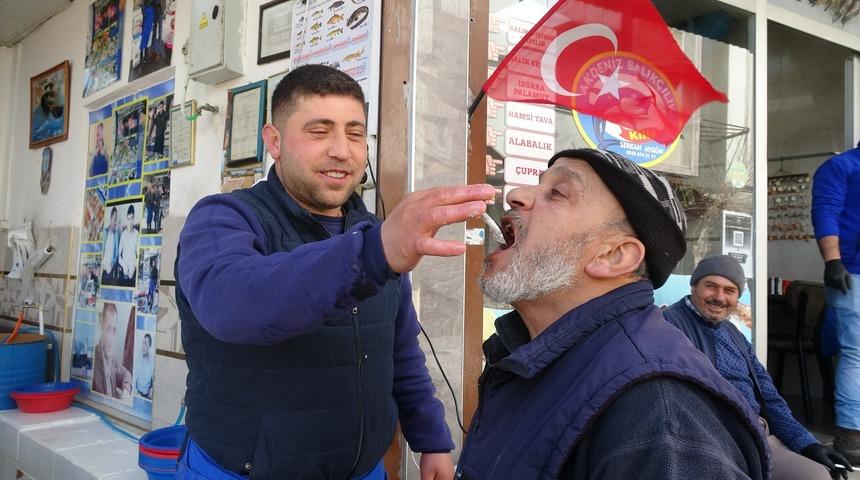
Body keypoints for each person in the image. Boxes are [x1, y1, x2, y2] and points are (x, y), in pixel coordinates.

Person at [175, 64, 494, 479]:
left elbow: (398, 348)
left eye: (355, 133)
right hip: (239, 470)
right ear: (274, 141)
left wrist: (431, 438)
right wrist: (375, 252)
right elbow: (231, 303)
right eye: (319, 131)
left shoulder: (374, 234)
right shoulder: (223, 218)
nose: (342, 150)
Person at [457, 148, 770, 479]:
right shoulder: (531, 357)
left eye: (558, 192)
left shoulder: (660, 414)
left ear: (614, 256)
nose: (517, 195)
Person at [662, 254, 852, 480]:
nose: (719, 297)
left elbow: (770, 398)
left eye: (729, 290)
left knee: (817, 475)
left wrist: (807, 443)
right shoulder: (669, 325)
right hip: (710, 442)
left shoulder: (733, 334)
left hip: (756, 434)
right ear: (694, 287)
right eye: (711, 287)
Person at [813, 147, 860, 464]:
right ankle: (851, 436)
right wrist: (833, 261)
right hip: (852, 273)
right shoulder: (841, 166)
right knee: (857, 353)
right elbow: (826, 211)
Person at [92, 302, 132, 399]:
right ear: (101, 326)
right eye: (108, 328)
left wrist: (126, 389)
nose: (111, 336)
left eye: (114, 330)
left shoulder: (112, 358)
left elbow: (126, 373)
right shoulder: (93, 358)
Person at [118, 205, 139, 283]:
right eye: (128, 219)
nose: (130, 222)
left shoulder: (137, 234)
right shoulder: (124, 234)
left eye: (132, 218)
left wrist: (134, 265)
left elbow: (138, 254)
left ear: (134, 218)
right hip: (124, 267)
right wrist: (124, 266)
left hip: (132, 266)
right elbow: (118, 255)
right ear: (127, 219)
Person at [101, 207, 120, 284]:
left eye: (116, 220)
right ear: (110, 218)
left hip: (110, 268)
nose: (115, 222)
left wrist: (112, 263)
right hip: (102, 266)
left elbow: (117, 252)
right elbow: (101, 248)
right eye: (114, 219)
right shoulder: (104, 232)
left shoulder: (116, 234)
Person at [135, 333, 154, 399]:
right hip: (137, 394)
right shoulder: (138, 359)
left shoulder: (152, 363)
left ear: (149, 347)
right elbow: (134, 378)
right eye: (143, 343)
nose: (143, 346)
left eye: (145, 344)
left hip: (147, 396)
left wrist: (152, 388)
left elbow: (154, 379)